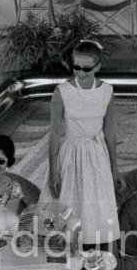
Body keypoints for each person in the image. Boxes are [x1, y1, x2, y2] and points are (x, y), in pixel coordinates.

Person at [40, 40, 125, 251]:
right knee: (67, 209)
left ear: (97, 67)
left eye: (87, 68)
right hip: (70, 155)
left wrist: (115, 169)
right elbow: (54, 134)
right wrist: (53, 172)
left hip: (97, 156)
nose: (81, 72)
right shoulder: (61, 92)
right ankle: (67, 258)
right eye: (76, 67)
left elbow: (110, 131)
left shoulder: (107, 91)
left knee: (100, 210)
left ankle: (104, 260)